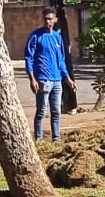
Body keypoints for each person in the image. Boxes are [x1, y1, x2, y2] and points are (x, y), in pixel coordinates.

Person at [25, 8, 71, 141]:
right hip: (43, 80)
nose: (48, 21)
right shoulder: (35, 36)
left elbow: (61, 60)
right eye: (45, 19)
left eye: (50, 19)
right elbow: (29, 58)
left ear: (55, 20)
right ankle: (39, 138)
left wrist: (67, 78)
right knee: (41, 111)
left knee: (56, 111)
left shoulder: (58, 37)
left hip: (57, 81)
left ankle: (56, 138)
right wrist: (32, 79)